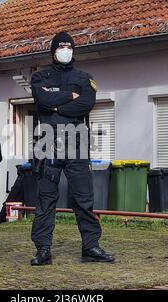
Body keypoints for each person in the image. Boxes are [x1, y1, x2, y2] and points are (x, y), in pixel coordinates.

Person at [29, 31, 115, 265]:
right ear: (53, 51)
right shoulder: (39, 77)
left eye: (69, 47)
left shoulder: (84, 77)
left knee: (84, 198)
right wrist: (70, 97)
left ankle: (91, 247)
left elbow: (86, 105)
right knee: (46, 198)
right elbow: (43, 100)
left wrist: (58, 106)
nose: (65, 51)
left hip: (78, 141)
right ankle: (43, 249)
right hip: (47, 142)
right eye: (61, 47)